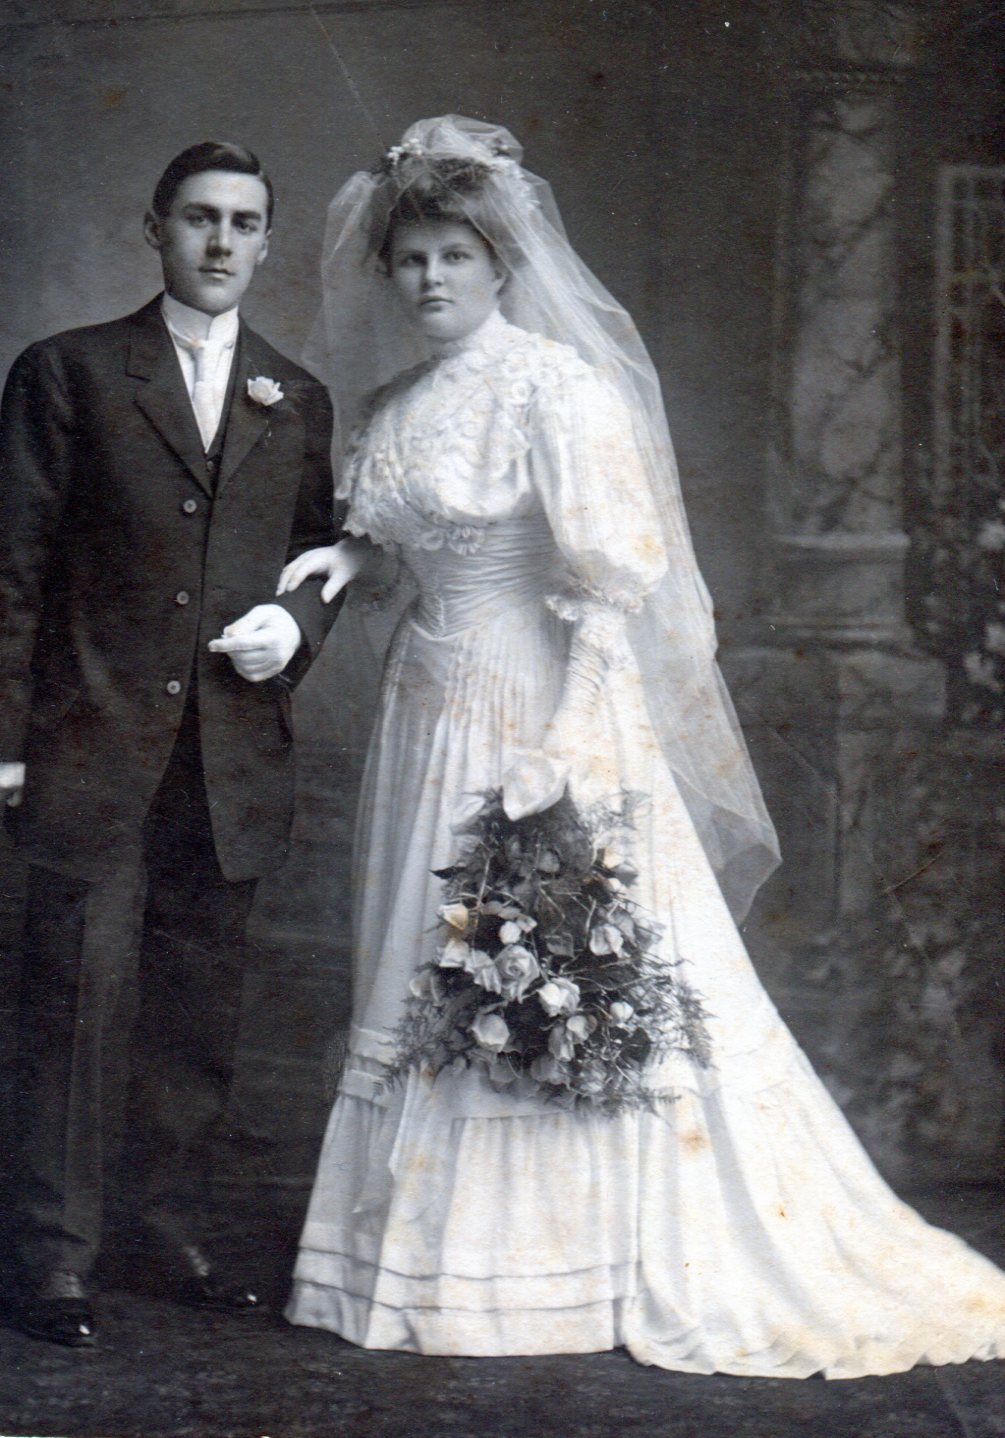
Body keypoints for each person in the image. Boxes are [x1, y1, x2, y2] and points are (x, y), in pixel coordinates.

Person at [281, 116, 1005, 1377]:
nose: (433, 278)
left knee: (525, 960)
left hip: (534, 697)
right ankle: (412, 1256)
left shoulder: (556, 386)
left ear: (505, 265)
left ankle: (545, 1271)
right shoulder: (396, 405)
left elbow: (613, 583)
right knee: (412, 958)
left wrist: (566, 744)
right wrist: (351, 552)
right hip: (420, 706)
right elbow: (404, 535)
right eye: (412, 259)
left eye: (457, 253)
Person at [0, 141, 340, 1348]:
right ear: (155, 229)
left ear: (265, 242)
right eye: (198, 218)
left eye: (244, 223)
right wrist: (5, 746)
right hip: (92, 741)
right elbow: (13, 571)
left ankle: (165, 1230)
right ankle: (51, 1255)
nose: (220, 243)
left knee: (197, 1010)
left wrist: (292, 628)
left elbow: (324, 562)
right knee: (72, 1004)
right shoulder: (69, 372)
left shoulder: (294, 396)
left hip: (229, 755)